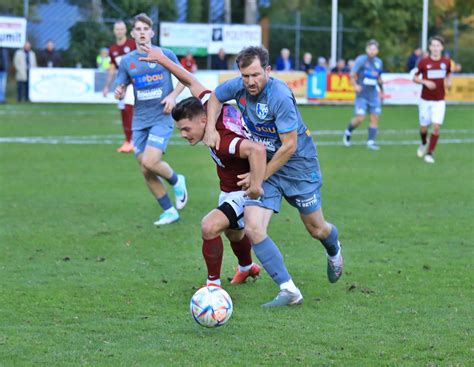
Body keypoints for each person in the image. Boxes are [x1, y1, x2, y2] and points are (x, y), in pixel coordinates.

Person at [204, 46, 344, 307]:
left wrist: (258, 178)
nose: (250, 81)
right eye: (245, 76)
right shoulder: (238, 86)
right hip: (268, 163)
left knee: (316, 228)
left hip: (299, 167)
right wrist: (210, 127)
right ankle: (289, 290)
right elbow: (214, 97)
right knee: (254, 227)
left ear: (268, 70)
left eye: (255, 75)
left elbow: (289, 145)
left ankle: (333, 247)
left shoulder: (279, 95)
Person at [140, 45, 266, 285]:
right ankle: (248, 267)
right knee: (233, 232)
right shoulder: (210, 104)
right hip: (229, 188)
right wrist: (162, 60)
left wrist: (256, 184)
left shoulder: (222, 140)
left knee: (209, 226)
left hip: (244, 191)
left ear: (204, 121)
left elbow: (255, 150)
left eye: (187, 129)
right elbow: (189, 80)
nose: (184, 135)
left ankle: (212, 287)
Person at [114, 13, 187, 226]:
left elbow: (185, 77)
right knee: (146, 169)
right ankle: (169, 210)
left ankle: (177, 180)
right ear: (133, 33)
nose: (142, 32)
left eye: (146, 29)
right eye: (138, 29)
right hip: (139, 122)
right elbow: (120, 84)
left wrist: (173, 96)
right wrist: (118, 91)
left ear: (152, 32)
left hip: (162, 117)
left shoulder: (164, 54)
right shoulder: (127, 62)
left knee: (150, 161)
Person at [413, 36, 452, 164]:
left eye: (438, 46)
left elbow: (448, 73)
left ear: (442, 47)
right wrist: (425, 82)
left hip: (440, 101)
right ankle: (424, 142)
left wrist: (449, 81)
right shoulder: (423, 62)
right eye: (433, 45)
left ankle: (430, 154)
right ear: (430, 47)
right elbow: (414, 78)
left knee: (436, 126)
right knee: (424, 127)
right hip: (425, 100)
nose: (435, 48)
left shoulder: (446, 62)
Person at [103, 20, 137, 153]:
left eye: (121, 29)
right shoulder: (112, 49)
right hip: (123, 84)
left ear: (125, 30)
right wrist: (107, 86)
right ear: (114, 31)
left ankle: (133, 140)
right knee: (123, 110)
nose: (119, 31)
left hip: (135, 83)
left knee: (129, 108)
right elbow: (112, 69)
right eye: (117, 29)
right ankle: (128, 141)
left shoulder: (132, 44)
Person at [343, 39, 384, 150]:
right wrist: (355, 85)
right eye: (370, 49)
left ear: (377, 51)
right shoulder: (361, 60)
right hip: (362, 95)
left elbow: (379, 78)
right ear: (366, 49)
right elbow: (352, 74)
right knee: (360, 118)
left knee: (375, 117)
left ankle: (370, 142)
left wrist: (382, 92)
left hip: (373, 95)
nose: (372, 51)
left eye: (374, 49)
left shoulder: (379, 62)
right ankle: (348, 132)